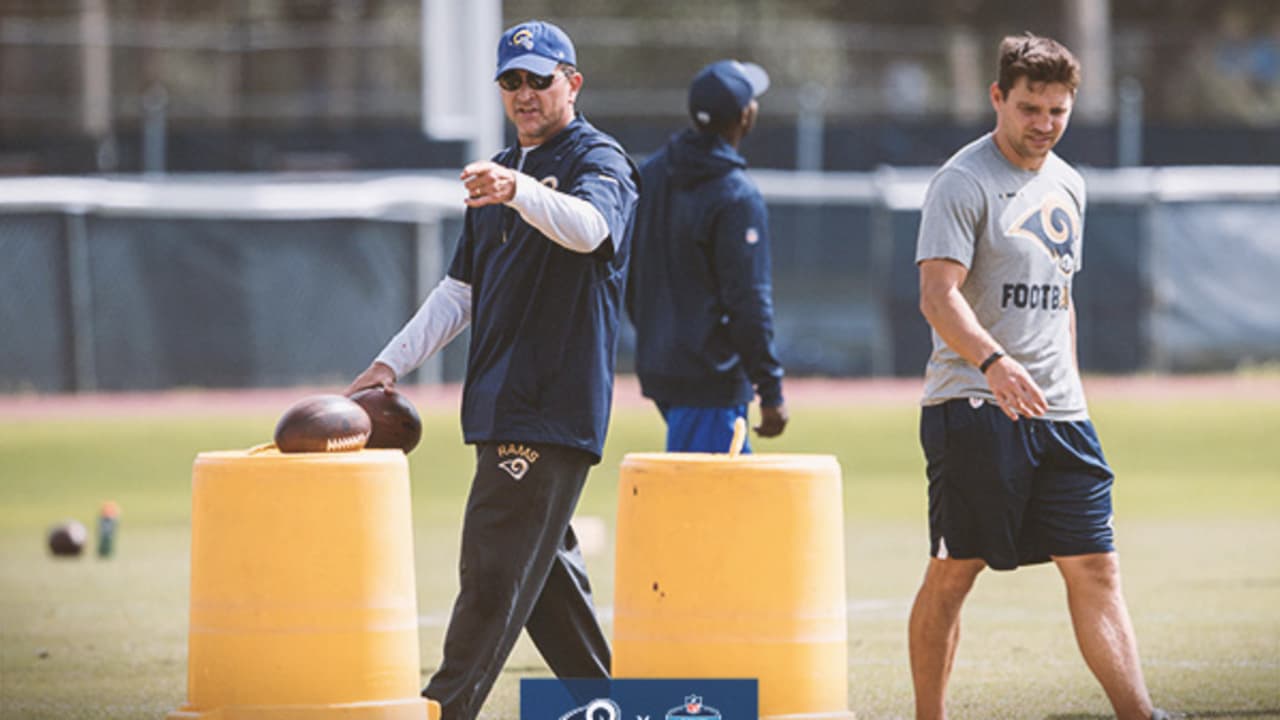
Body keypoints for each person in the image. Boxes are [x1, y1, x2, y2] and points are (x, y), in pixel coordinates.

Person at [345, 19, 639, 720]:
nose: (524, 93)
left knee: (489, 573)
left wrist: (517, 189)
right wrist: (388, 364)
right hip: (501, 406)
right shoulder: (500, 172)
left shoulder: (598, 159)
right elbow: (460, 293)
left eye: (539, 78)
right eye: (511, 80)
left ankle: (442, 710)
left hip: (550, 405)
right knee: (544, 587)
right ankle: (616, 709)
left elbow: (592, 230)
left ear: (572, 83)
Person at [909, 34, 1168, 720]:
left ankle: (1139, 714)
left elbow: (1062, 299)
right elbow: (938, 296)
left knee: (1096, 565)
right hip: (974, 404)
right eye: (1030, 108)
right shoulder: (962, 181)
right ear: (998, 97)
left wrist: (1070, 391)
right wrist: (994, 364)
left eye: (1058, 110)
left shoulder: (1070, 183)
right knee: (954, 573)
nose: (1044, 123)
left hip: (1060, 414)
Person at [626, 59, 788, 453]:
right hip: (711, 378)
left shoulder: (650, 174)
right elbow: (748, 301)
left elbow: (630, 272)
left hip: (660, 367)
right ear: (745, 116)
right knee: (713, 491)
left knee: (724, 487)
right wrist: (770, 389)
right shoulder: (736, 196)